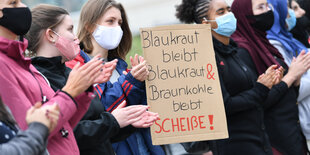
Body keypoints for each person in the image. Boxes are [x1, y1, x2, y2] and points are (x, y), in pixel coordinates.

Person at [26, 4, 159, 155]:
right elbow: (66, 133)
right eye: (70, 29)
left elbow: (99, 129)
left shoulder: (71, 72)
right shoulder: (39, 79)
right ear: (51, 35)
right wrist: (114, 120)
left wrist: (128, 123)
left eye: (120, 23)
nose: (76, 36)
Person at [0, 0, 116, 155]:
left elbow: (63, 126)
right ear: (50, 35)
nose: (23, 7)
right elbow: (31, 131)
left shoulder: (23, 63)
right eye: (13, 3)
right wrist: (70, 92)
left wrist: (82, 88)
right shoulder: (5, 64)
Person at [176, 0, 280, 154]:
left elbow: (252, 94)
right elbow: (223, 105)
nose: (229, 15)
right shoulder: (205, 57)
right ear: (205, 23)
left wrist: (268, 82)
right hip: (233, 145)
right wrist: (260, 88)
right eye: (221, 12)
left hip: (258, 139)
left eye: (228, 10)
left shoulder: (235, 51)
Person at [66, 0, 165, 154]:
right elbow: (103, 110)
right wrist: (132, 82)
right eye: (110, 21)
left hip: (143, 146)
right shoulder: (77, 68)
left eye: (119, 22)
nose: (117, 28)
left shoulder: (121, 66)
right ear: (89, 26)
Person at [231, 0, 310, 154]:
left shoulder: (263, 43)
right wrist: (291, 76)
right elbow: (258, 100)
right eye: (260, 7)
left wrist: (296, 79)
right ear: (244, 14)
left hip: (291, 133)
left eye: (268, 6)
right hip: (274, 141)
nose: (268, 11)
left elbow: (286, 93)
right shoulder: (242, 51)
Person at [266, 0, 310, 152]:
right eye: (289, 9)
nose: (299, 13)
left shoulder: (290, 40)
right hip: (301, 123)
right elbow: (290, 90)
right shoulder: (274, 45)